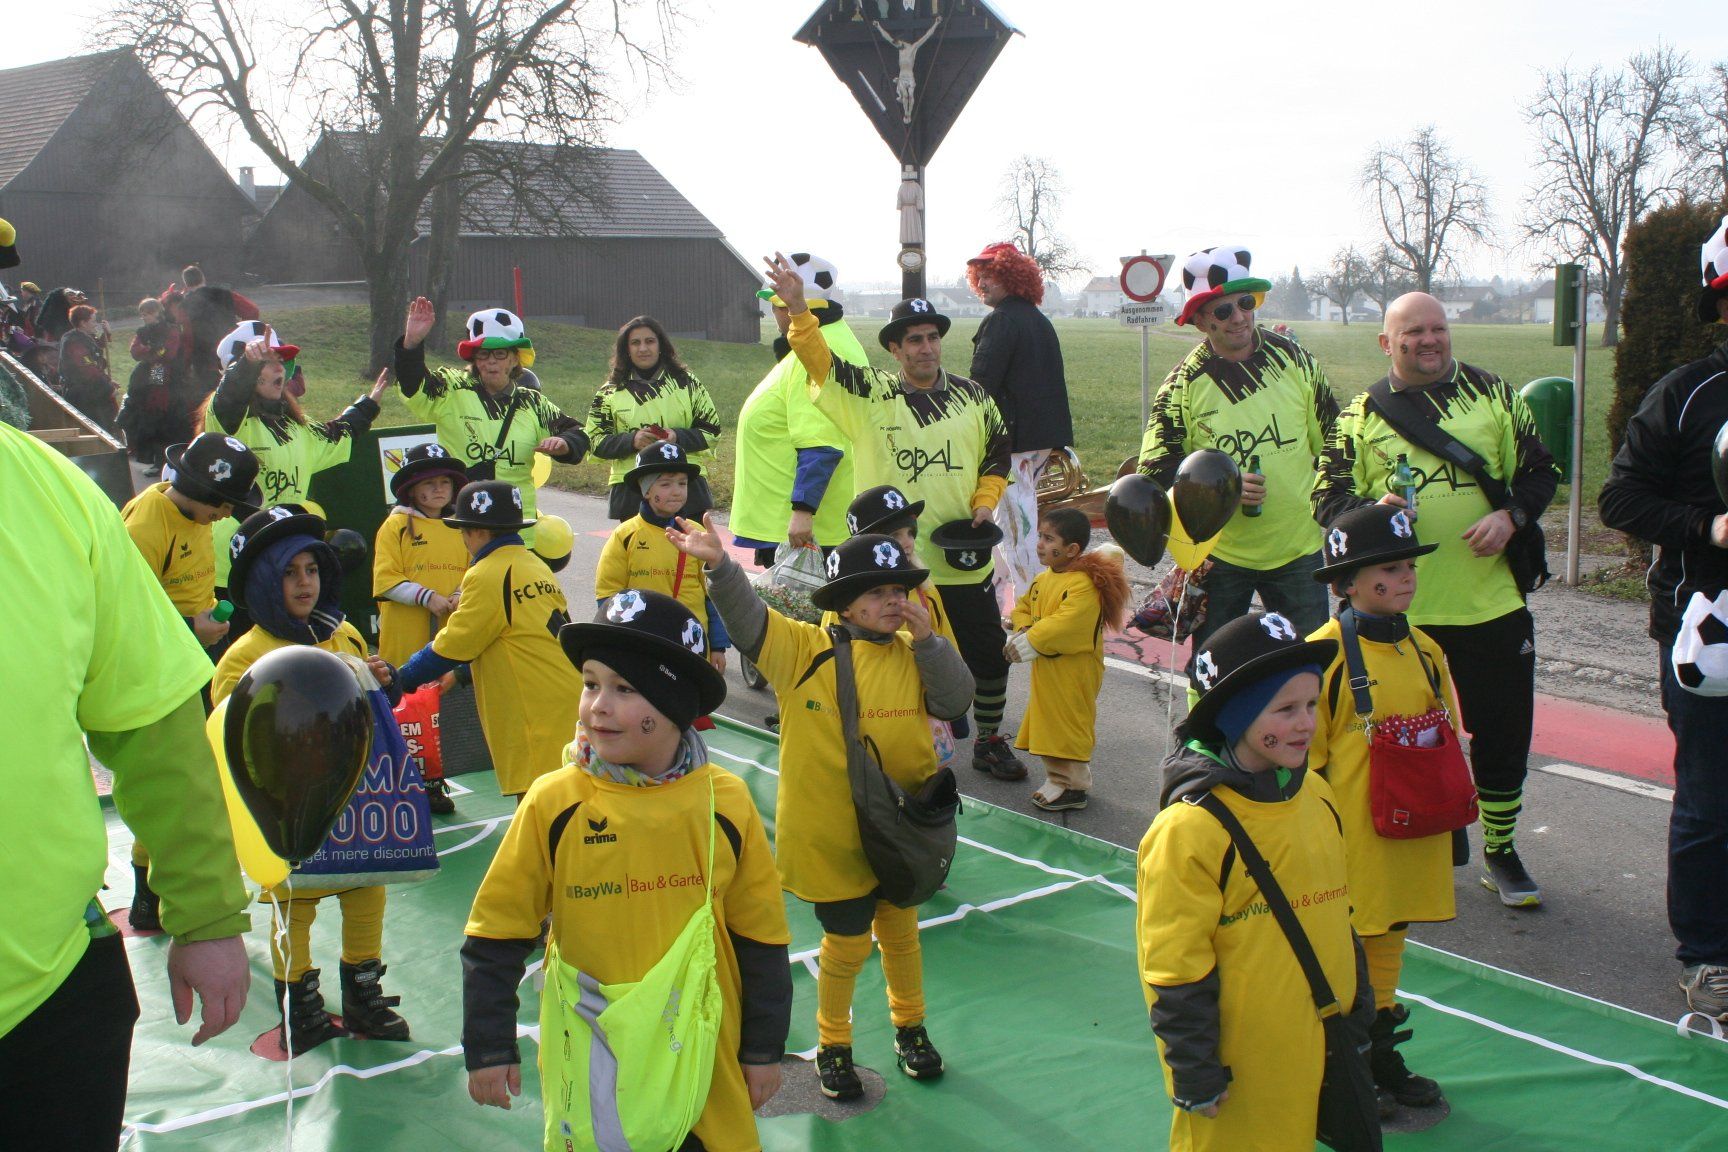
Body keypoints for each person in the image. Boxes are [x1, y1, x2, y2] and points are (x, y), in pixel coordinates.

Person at [462, 589, 792, 1149]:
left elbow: (761, 934)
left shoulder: (724, 802)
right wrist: (489, 1046)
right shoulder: (555, 802)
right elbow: (497, 930)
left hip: (702, 1048)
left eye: (625, 688)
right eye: (591, 683)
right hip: (598, 1053)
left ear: (674, 702)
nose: (598, 706)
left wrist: (762, 1050)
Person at [0, 420, 250, 1150]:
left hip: (45, 997)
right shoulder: (141, 517)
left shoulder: (42, 484)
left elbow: (152, 718)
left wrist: (207, 912)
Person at [671, 518, 975, 1101]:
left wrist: (931, 642)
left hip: (903, 826)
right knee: (848, 941)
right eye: (876, 592)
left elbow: (955, 700)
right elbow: (750, 623)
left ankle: (911, 1027)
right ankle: (834, 1043)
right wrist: (720, 566)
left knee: (902, 931)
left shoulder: (916, 651)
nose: (893, 601)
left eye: (898, 590)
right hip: (832, 832)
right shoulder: (803, 650)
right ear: (844, 602)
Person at [1314, 291, 1559, 908]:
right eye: (1413, 332)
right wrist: (1370, 512)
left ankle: (1500, 849)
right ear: (1386, 343)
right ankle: (1398, 838)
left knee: (1503, 732)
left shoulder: (1495, 395)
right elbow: (1327, 500)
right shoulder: (1359, 416)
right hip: (1395, 612)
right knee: (1397, 739)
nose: (1429, 340)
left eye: (1438, 329)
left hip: (1490, 603)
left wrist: (1511, 516)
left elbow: (1542, 471)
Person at [765, 253, 1022, 782]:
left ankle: (990, 740)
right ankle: (883, 745)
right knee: (884, 661)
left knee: (988, 657)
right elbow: (820, 363)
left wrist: (985, 500)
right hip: (888, 568)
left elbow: (998, 451)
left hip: (961, 556)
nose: (926, 347)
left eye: (932, 337)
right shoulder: (870, 395)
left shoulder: (975, 398)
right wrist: (799, 312)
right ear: (895, 349)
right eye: (914, 340)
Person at [1136, 610, 1366, 1152]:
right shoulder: (1191, 830)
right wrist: (1195, 1071)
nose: (1306, 723)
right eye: (1284, 709)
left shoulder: (1317, 796)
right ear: (1235, 715)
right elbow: (1174, 969)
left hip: (1318, 1041)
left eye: (1311, 704)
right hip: (1241, 1063)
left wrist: (1357, 1013)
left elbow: (1338, 919)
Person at [214, 506, 410, 1052]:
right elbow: (232, 735)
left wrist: (383, 681)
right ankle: (298, 1005)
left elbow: (369, 709)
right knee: (294, 904)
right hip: (290, 806)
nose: (305, 583)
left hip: (353, 794)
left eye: (313, 569)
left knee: (366, 890)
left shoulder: (343, 634)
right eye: (289, 572)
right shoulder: (245, 656)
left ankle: (364, 996)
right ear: (262, 581)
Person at [1599, 214, 1728, 1021]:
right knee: (1712, 798)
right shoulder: (1685, 394)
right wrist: (1708, 527)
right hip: (1706, 625)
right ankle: (1708, 954)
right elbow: (1619, 497)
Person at [1307, 504, 1457, 1112]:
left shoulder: (1426, 650)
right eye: (1389, 570)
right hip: (1352, 830)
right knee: (1349, 939)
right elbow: (1305, 755)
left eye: (1409, 566)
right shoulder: (1324, 655)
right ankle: (1347, 1060)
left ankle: (1380, 1045)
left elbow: (1445, 735)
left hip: (1410, 823)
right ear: (1347, 584)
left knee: (1391, 928)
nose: (1406, 578)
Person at [1139, 246, 1338, 660]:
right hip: (1221, 556)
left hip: (1298, 551)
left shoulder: (1295, 361)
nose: (1239, 317)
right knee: (1215, 669)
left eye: (1246, 303)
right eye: (1223, 310)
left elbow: (1335, 446)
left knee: (1311, 665)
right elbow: (1156, 471)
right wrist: (1220, 491)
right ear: (1200, 320)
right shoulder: (1182, 384)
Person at [120, 432, 261, 929]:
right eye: (224, 506)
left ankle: (172, 888)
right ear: (204, 493)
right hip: (159, 666)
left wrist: (206, 622)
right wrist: (189, 627)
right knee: (169, 784)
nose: (226, 516)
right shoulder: (146, 524)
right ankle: (147, 893)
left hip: (193, 656)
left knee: (199, 776)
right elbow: (124, 610)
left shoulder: (195, 517)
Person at [397, 481, 583, 801]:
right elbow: (517, 635)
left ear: (479, 532)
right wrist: (461, 674)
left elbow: (451, 646)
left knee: (539, 805)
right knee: (570, 797)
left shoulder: (487, 573)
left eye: (463, 531)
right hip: (566, 697)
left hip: (534, 710)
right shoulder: (533, 564)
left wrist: (400, 679)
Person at [203, 320, 388, 613]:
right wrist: (246, 365)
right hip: (233, 567)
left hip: (284, 561)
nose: (280, 368)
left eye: (282, 361)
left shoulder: (298, 428)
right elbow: (229, 398)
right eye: (268, 361)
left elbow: (337, 434)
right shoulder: (228, 422)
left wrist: (368, 406)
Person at [396, 298, 587, 543]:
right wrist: (412, 344)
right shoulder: (451, 389)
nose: (491, 361)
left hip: (517, 531)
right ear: (474, 360)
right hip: (465, 529)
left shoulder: (533, 403)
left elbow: (578, 432)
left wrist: (565, 443)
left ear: (515, 359)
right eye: (483, 354)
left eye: (500, 354)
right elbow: (413, 386)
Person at [731, 253, 860, 564]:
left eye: (775, 306)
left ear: (788, 306)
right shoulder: (829, 338)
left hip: (806, 528)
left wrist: (803, 511)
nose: (773, 315)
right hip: (799, 520)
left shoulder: (816, 350)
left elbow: (821, 439)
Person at [966, 241, 1075, 603]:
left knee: (1015, 528)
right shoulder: (1038, 320)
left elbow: (981, 386)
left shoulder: (1001, 320)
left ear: (1012, 278)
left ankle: (1031, 604)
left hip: (1012, 443)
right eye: (979, 276)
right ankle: (1001, 596)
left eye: (991, 276)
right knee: (1013, 520)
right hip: (1041, 438)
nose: (983, 283)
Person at [1005, 507, 1129, 813]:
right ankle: (1057, 779)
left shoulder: (1083, 585)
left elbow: (1068, 623)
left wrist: (1031, 640)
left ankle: (1073, 785)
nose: (1040, 544)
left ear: (1072, 549)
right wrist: (1023, 627)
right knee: (1050, 721)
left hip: (1074, 671)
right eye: (1040, 536)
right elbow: (1023, 606)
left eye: (1049, 539)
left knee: (1068, 722)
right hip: (1049, 669)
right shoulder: (1044, 579)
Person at [373, 442, 471, 816]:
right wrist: (426, 597)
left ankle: (432, 784)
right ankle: (399, 783)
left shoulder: (459, 526)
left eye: (444, 482)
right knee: (404, 709)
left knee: (436, 713)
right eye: (429, 483)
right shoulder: (396, 525)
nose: (438, 489)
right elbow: (385, 579)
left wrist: (460, 595)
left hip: (446, 633)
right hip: (407, 630)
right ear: (412, 490)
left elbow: (472, 571)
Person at [594, 441, 731, 673]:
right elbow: (608, 595)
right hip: (641, 641)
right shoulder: (625, 535)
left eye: (682, 483)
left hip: (692, 643)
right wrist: (615, 643)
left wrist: (717, 646)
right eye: (666, 484)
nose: (677, 491)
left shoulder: (696, 534)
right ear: (646, 489)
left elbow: (714, 595)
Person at [585, 315, 723, 522]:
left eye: (649, 341)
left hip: (686, 489)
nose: (643, 348)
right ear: (626, 349)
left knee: (690, 545)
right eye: (635, 343)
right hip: (632, 489)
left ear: (661, 345)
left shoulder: (688, 384)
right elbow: (593, 441)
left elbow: (712, 431)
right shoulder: (610, 391)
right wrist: (632, 441)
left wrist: (676, 437)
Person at [122, 296, 185, 473]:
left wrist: (152, 353)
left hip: (167, 376)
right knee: (152, 419)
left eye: (147, 313)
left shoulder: (171, 330)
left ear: (157, 312)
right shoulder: (142, 332)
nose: (144, 317)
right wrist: (153, 351)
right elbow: (135, 351)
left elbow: (168, 353)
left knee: (164, 417)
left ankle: (169, 463)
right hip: (146, 377)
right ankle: (157, 462)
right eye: (142, 314)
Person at [178, 264, 259, 394]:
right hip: (231, 353)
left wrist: (185, 366)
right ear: (203, 278)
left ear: (186, 284)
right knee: (234, 393)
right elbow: (252, 311)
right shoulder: (224, 294)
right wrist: (240, 332)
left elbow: (188, 338)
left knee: (210, 398)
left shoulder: (184, 306)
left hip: (204, 361)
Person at [56, 303, 117, 431]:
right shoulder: (73, 341)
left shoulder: (83, 336)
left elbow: (96, 347)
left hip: (91, 390)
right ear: (83, 323)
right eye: (93, 321)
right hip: (83, 395)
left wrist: (106, 333)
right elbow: (88, 368)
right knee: (96, 427)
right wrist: (108, 386)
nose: (96, 324)